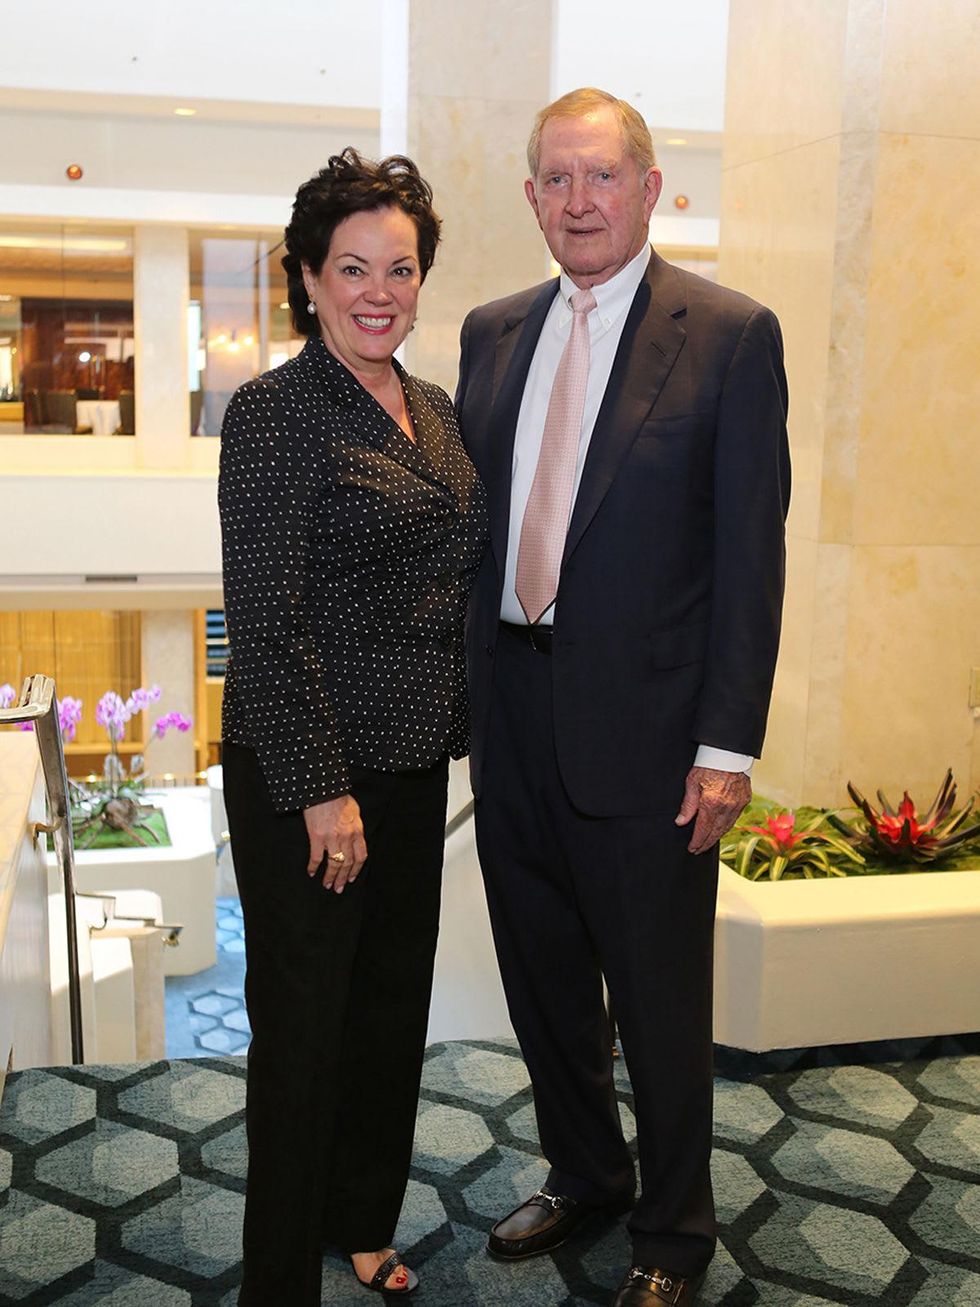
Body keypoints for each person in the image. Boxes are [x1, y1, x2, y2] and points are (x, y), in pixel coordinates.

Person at [456, 88, 790, 1306]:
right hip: (512, 718)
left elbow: (749, 558)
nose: (578, 200)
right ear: (531, 195)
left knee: (655, 1000)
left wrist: (725, 745)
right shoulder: (491, 332)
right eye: (556, 178)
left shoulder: (729, 333)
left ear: (652, 190)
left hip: (651, 744)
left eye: (601, 177)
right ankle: (585, 1172)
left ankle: (672, 1233)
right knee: (541, 979)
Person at [218, 148, 487, 1306]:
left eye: (401, 267)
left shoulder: (431, 407)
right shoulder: (274, 413)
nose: (379, 290)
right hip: (306, 772)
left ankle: (362, 1220)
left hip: (411, 759)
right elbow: (266, 623)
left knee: (388, 1008)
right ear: (310, 280)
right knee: (304, 1029)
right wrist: (325, 790)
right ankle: (280, 1271)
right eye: (353, 268)